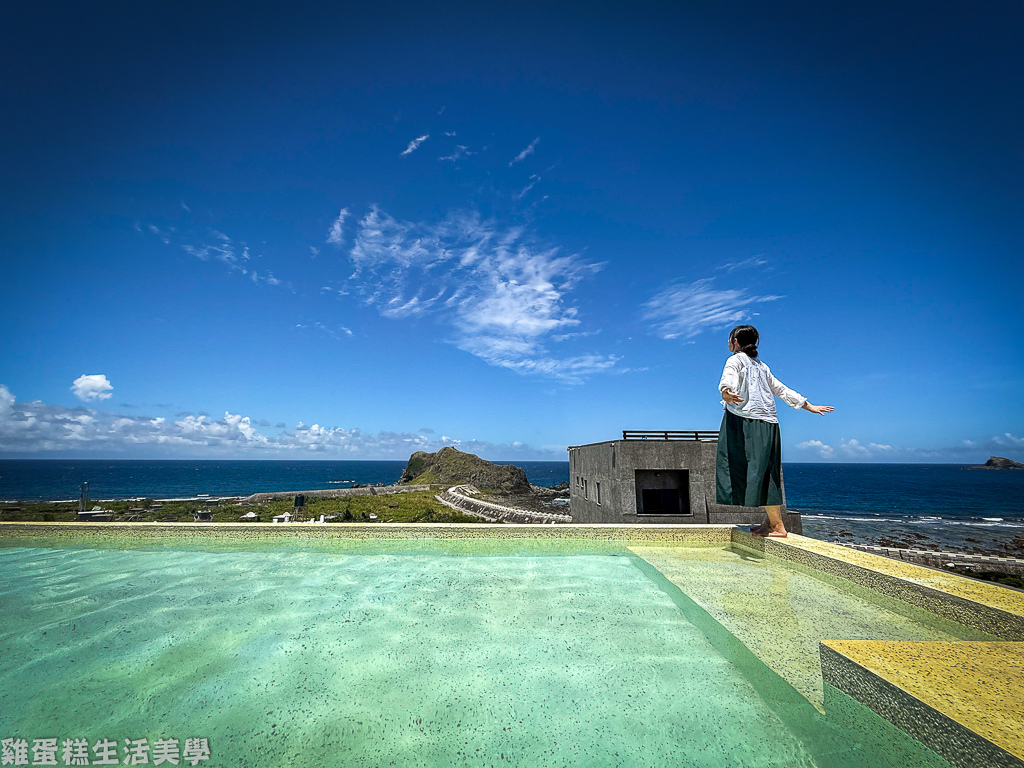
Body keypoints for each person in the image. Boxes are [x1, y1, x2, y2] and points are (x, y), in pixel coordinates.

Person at [716, 325, 833, 537]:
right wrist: (809, 405)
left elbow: (729, 378)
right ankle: (770, 523)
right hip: (768, 424)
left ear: (734, 341)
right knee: (766, 472)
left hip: (745, 422)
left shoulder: (736, 360)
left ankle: (777, 525)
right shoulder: (761, 366)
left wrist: (726, 392)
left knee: (744, 469)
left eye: (729, 339)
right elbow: (781, 389)